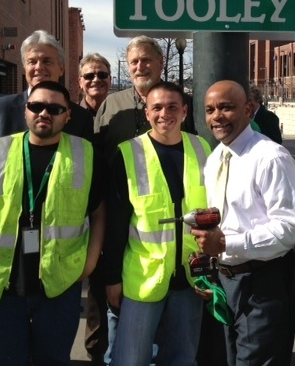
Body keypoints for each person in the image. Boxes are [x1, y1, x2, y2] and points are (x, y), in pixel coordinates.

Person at [0, 81, 106, 365]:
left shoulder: (86, 154)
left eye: (55, 108)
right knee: (4, 360)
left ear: (67, 115)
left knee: (54, 359)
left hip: (59, 283)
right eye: (37, 106)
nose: (44, 113)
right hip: (2, 284)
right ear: (26, 111)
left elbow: (98, 214)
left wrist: (91, 262)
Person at [90, 35, 198, 365]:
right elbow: (98, 155)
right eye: (134, 61)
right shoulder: (113, 104)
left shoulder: (195, 138)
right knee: (126, 351)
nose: (140, 66)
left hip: (184, 269)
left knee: (178, 353)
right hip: (130, 248)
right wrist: (111, 274)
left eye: (147, 60)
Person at [194, 80, 295, 366]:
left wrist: (227, 243)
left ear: (249, 109)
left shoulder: (271, 157)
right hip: (227, 283)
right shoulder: (216, 157)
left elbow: (289, 229)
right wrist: (209, 264)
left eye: (226, 107)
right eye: (210, 109)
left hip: (263, 284)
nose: (217, 116)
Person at [104, 82, 209, 366]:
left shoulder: (202, 149)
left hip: (189, 277)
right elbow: (115, 224)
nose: (165, 114)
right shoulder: (128, 154)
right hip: (143, 277)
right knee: (130, 359)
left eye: (173, 107)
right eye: (157, 108)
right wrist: (112, 278)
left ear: (185, 111)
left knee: (182, 358)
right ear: (147, 113)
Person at [0, 30, 94, 154]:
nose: (39, 67)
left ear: (61, 69)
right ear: (25, 68)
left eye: (46, 61)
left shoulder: (81, 118)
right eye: (32, 62)